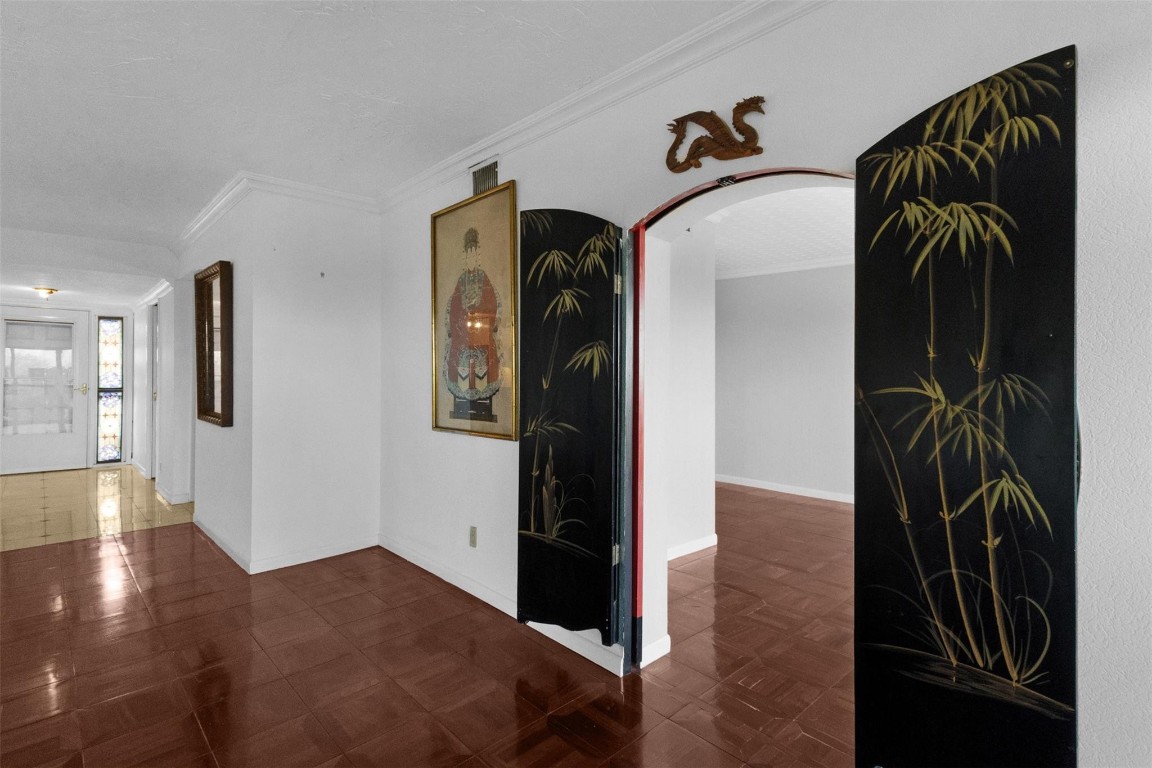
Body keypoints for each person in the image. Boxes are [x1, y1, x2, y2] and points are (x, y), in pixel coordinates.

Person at [445, 227, 502, 413]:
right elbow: (454, 306)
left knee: (486, 354)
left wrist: (477, 315)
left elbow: (491, 302)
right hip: (463, 331)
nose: (471, 259)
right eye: (467, 255)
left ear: (477, 256)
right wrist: (462, 319)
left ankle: (483, 400)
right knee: (458, 352)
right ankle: (461, 399)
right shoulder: (461, 280)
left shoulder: (483, 277)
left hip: (481, 329)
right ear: (465, 257)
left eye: (473, 254)